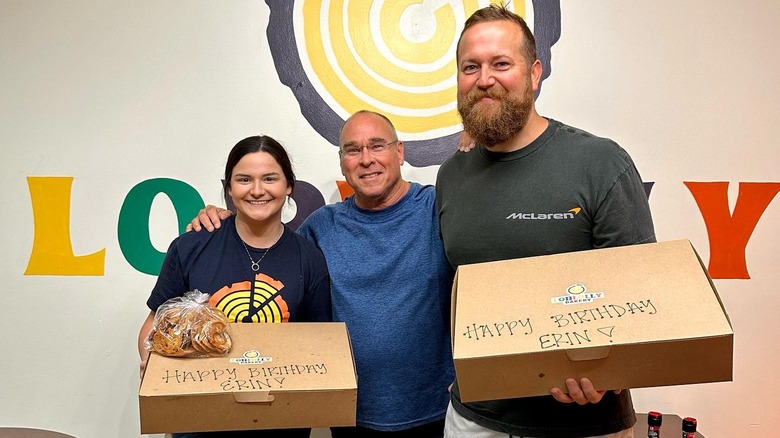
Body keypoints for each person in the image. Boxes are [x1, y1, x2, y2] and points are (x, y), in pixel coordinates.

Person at [435, 4, 656, 438]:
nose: (484, 79)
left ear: (535, 74)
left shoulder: (599, 163)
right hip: (473, 420)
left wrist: (610, 371)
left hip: (583, 422)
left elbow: (643, 298)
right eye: (470, 67)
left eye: (501, 63)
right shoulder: (451, 175)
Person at [189, 111, 455, 437]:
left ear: (399, 152)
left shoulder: (437, 208)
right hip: (349, 412)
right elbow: (264, 260)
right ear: (342, 162)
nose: (366, 159)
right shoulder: (320, 226)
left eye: (377, 146)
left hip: (437, 411)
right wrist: (225, 222)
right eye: (353, 150)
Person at [138, 135, 332, 438]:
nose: (257, 190)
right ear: (229, 188)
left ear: (289, 186)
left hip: (279, 424)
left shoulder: (309, 259)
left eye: (270, 178)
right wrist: (156, 369)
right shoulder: (191, 246)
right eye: (244, 179)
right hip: (197, 422)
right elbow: (154, 326)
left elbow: (319, 345)